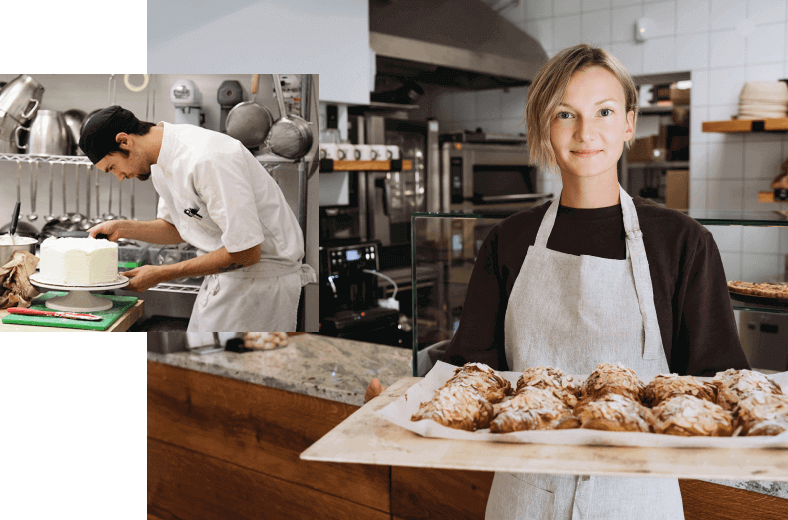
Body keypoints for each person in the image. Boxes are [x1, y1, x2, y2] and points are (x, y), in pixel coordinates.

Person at [366, 44, 750, 519]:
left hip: (635, 500)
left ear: (629, 122)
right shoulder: (508, 239)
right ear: (544, 126)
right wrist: (405, 397)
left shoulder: (684, 242)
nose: (586, 132)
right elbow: (473, 370)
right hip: (524, 495)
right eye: (565, 114)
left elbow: (718, 383)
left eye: (604, 111)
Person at [80, 105, 316, 332]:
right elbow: (178, 227)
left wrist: (162, 273)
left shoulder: (207, 158)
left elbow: (247, 252)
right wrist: (123, 228)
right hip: (229, 278)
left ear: (124, 141)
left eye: (112, 167)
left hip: (261, 286)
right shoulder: (159, 161)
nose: (119, 177)